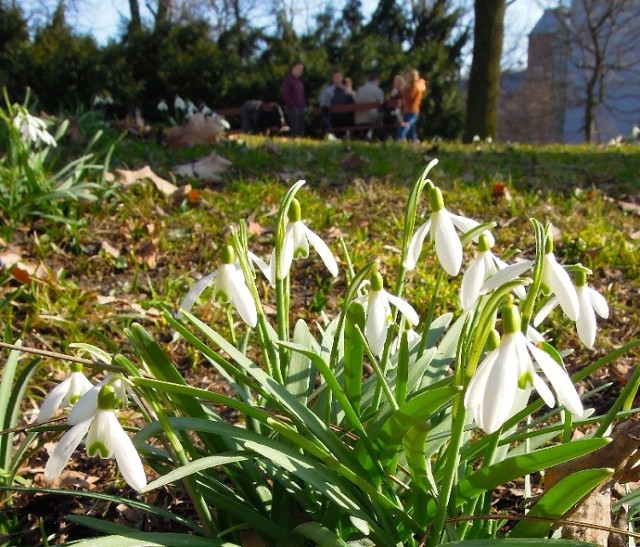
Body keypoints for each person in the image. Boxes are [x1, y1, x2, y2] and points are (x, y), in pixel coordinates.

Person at [395, 68, 427, 142]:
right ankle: (414, 139)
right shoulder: (412, 86)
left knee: (406, 124)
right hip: (408, 109)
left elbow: (410, 96)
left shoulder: (416, 86)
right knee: (412, 127)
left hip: (413, 110)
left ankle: (401, 137)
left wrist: (402, 90)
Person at [281, 61, 306, 137]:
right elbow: (286, 94)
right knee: (295, 128)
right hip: (293, 108)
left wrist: (304, 106)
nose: (300, 71)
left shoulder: (300, 82)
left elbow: (302, 95)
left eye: (301, 69)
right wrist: (292, 105)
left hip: (301, 108)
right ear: (293, 69)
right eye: (298, 69)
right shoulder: (288, 80)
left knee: (300, 128)